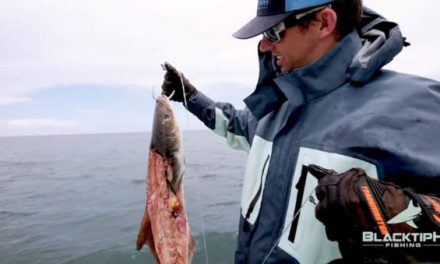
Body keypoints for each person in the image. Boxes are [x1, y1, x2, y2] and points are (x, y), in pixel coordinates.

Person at [161, 0, 440, 263]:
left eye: (273, 31)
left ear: (323, 22)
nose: (264, 44)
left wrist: (400, 216)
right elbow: (236, 125)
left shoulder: (417, 105)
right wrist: (190, 96)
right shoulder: (275, 109)